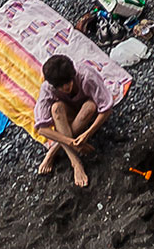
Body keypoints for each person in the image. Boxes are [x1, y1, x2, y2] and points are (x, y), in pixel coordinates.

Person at [34, 54, 122, 189]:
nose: (66, 87)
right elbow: (41, 128)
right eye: (61, 86)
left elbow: (106, 108)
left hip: (86, 112)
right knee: (56, 108)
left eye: (68, 82)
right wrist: (72, 143)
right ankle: (75, 162)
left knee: (90, 106)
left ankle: (54, 149)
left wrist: (87, 133)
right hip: (67, 114)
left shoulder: (86, 76)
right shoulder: (48, 88)